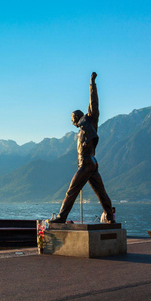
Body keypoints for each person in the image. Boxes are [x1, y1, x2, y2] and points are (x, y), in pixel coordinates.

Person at [52, 72, 114, 224]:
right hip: (91, 163)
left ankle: (61, 217)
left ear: (76, 117)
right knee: (101, 192)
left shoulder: (90, 121)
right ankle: (110, 217)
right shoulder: (82, 130)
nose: (71, 121)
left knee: (72, 190)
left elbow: (94, 103)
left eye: (72, 118)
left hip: (86, 163)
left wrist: (92, 84)